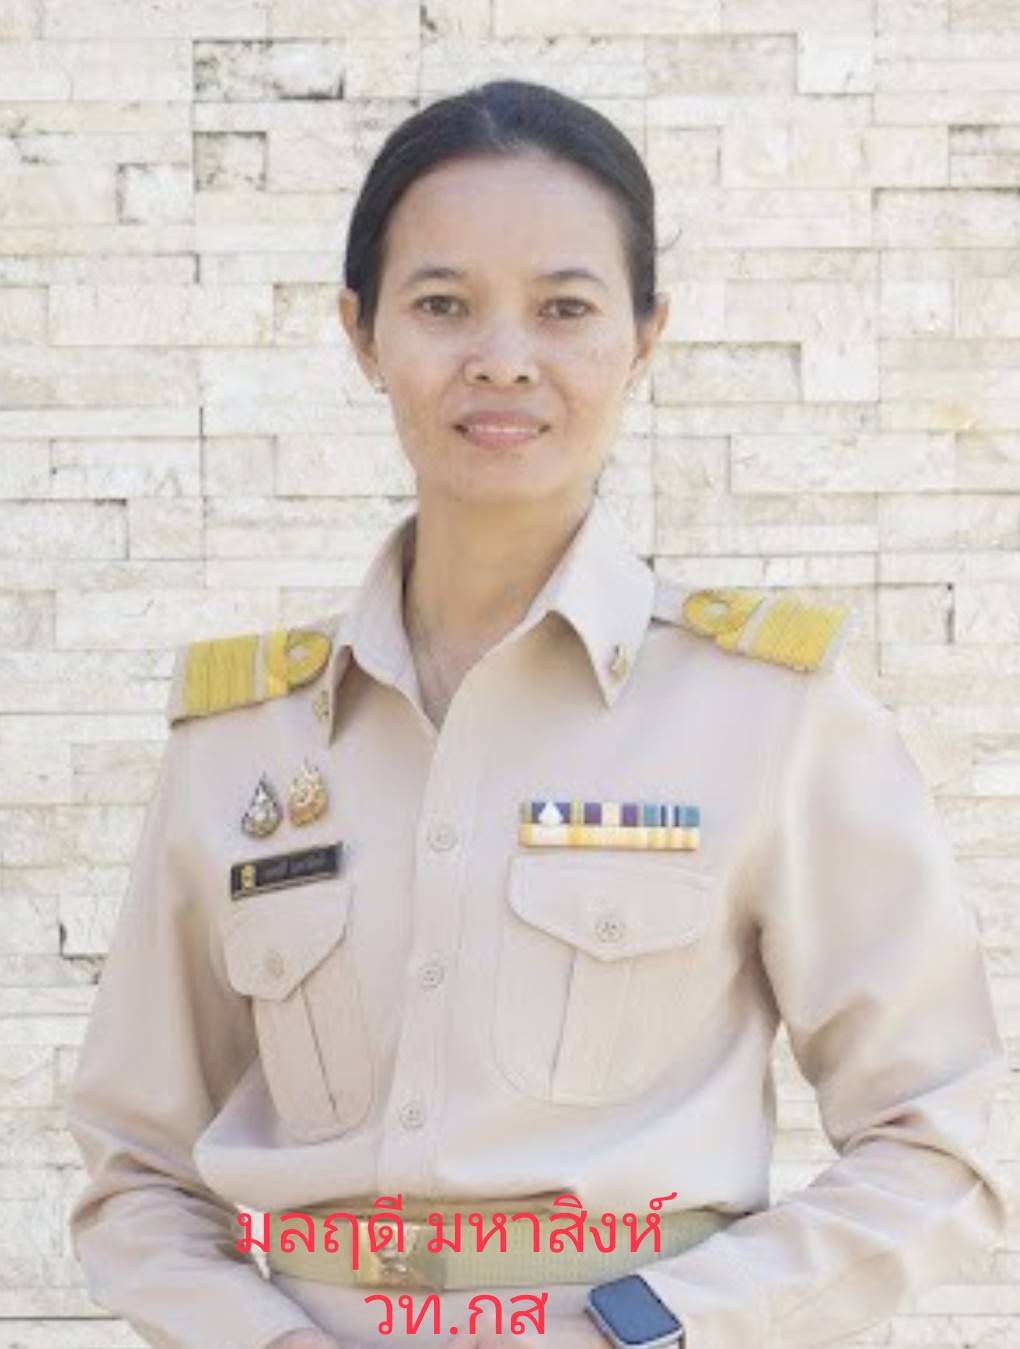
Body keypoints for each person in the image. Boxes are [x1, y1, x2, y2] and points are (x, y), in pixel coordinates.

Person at [65, 78, 1010, 1349]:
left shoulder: (771, 715)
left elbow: (934, 1141)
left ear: (645, 336)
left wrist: (638, 1332)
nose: (503, 358)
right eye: (442, 305)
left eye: (564, 307)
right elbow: (138, 1171)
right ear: (360, 333)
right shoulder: (242, 743)